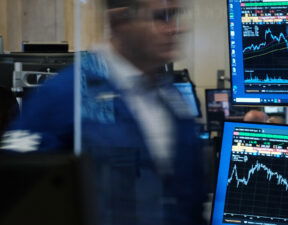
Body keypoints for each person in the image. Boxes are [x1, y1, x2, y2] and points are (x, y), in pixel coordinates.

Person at [1, 0, 207, 225]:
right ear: (119, 19)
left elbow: (189, 201)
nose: (176, 28)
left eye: (175, 15)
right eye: (160, 17)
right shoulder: (66, 93)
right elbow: (16, 194)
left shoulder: (172, 99)